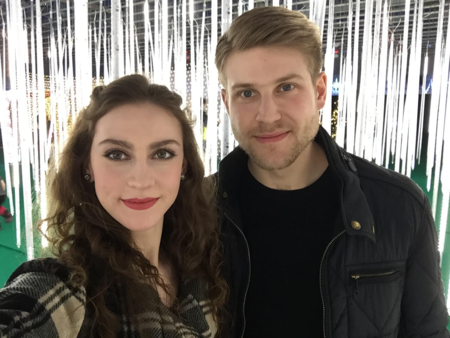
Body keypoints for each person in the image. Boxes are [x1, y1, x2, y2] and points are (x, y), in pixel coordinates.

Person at [213, 6, 449, 338]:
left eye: (286, 88)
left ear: (320, 91)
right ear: (226, 102)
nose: (267, 116)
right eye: (247, 93)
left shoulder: (399, 206)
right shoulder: (196, 210)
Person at [0, 74, 227, 337]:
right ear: (88, 166)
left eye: (162, 153)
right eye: (116, 154)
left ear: (183, 166)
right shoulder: (64, 288)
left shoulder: (201, 268)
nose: (140, 180)